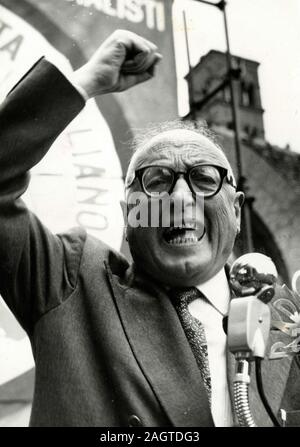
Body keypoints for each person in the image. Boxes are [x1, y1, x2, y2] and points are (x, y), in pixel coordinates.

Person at [0, 29, 299, 427]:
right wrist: (85, 82)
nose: (178, 200)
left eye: (204, 178)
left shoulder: (284, 316)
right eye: (155, 181)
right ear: (129, 215)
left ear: (237, 210)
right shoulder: (70, 282)